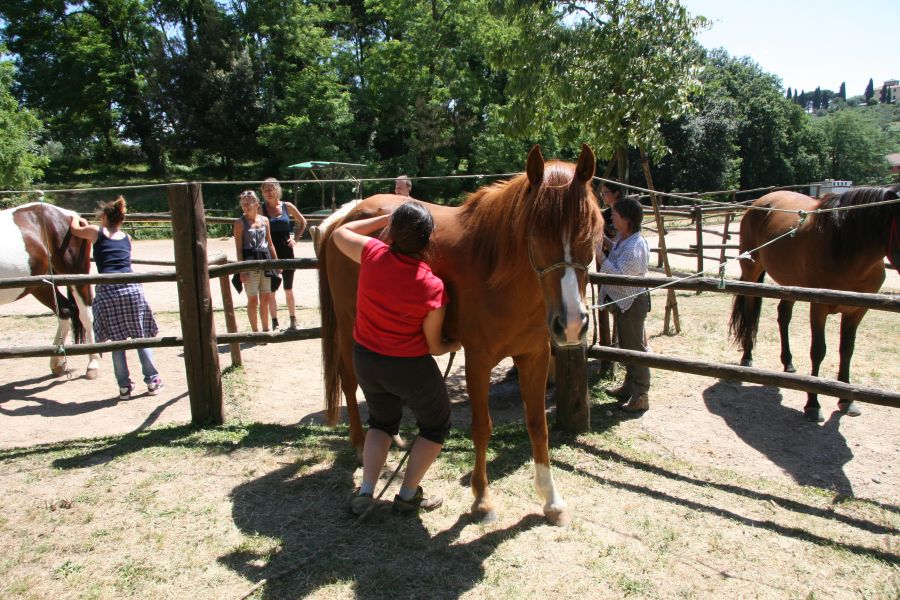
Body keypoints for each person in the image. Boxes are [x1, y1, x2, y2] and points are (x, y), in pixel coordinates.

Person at [333, 201, 460, 515]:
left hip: (366, 359)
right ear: (428, 240)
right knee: (435, 427)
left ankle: (365, 492)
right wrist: (455, 344)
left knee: (381, 423)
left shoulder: (373, 255)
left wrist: (386, 217)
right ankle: (407, 495)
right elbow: (433, 347)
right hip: (409, 368)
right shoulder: (431, 285)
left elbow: (340, 233)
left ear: (390, 232)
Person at [70, 196, 163, 400]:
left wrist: (76, 217)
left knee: (117, 342)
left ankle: (124, 387)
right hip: (131, 288)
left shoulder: (96, 232)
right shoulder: (127, 237)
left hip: (108, 291)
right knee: (141, 337)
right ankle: (152, 381)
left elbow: (75, 229)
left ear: (104, 217)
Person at [596, 197, 651, 412]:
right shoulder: (624, 238)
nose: (611, 217)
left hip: (632, 303)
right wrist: (603, 241)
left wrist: (601, 256)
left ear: (626, 219)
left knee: (635, 348)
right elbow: (617, 251)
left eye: (615, 214)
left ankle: (641, 395)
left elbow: (620, 274)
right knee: (627, 346)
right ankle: (630, 386)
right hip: (625, 303)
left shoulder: (635, 246)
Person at [260, 178, 307, 330]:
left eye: (270, 189)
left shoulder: (287, 206)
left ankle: (293, 320)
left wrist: (296, 238)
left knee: (288, 288)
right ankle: (275, 322)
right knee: (272, 290)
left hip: (287, 251)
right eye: (265, 190)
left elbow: (302, 221)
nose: (268, 192)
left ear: (277, 190)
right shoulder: (261, 209)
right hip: (269, 252)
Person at [233, 190, 278, 333]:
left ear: (256, 204)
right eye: (243, 204)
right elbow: (239, 249)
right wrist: (242, 270)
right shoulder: (240, 223)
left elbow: (270, 243)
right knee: (253, 299)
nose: (245, 207)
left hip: (265, 261)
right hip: (249, 262)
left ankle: (265, 330)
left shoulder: (265, 220)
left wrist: (276, 262)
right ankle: (255, 331)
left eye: (248, 204)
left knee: (265, 297)